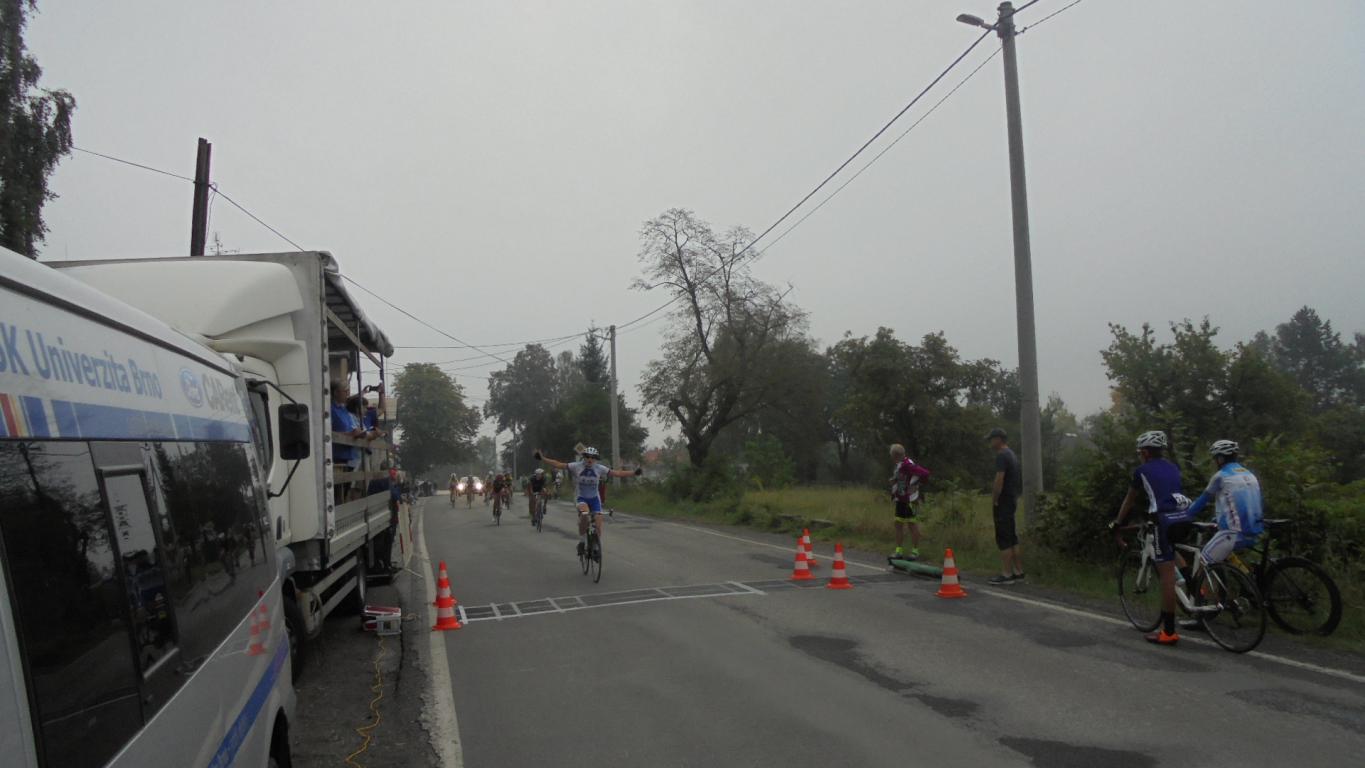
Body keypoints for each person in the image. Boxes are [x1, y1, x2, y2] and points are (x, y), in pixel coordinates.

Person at [1109, 430, 1193, 646]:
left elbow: (1129, 499)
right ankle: (1194, 589)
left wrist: (1118, 523)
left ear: (1145, 453)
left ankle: (1169, 632)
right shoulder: (1173, 467)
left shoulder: (1141, 471)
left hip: (1163, 520)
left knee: (1166, 576)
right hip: (1183, 516)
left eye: (1140, 452)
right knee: (1172, 551)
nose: (1139, 456)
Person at [534, 446, 641, 559]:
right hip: (581, 498)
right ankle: (582, 541)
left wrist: (634, 473)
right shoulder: (576, 466)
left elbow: (617, 473)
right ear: (584, 457)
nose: (590, 459)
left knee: (598, 522)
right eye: (587, 457)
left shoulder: (599, 468)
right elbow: (558, 464)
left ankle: (595, 545)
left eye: (593, 457)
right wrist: (543, 458)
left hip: (595, 499)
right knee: (584, 516)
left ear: (596, 459)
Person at [1187, 440, 1264, 565]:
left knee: (1202, 563)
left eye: (1215, 458)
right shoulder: (1250, 475)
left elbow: (1202, 501)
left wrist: (1186, 514)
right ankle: (1243, 575)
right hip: (1254, 532)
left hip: (1232, 534)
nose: (1214, 462)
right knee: (1225, 560)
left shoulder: (1221, 476)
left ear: (1221, 458)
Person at [987, 428, 1025, 585]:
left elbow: (999, 480)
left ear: (998, 439)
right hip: (1011, 499)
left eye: (991, 439)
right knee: (1012, 537)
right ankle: (1018, 571)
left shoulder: (1002, 455)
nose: (990, 442)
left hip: (1003, 501)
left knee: (1003, 537)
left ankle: (1007, 574)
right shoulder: (1011, 454)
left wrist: (995, 499)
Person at [889, 444, 929, 560]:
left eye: (892, 456)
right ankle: (898, 551)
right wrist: (894, 481)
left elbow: (925, 473)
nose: (892, 458)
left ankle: (915, 552)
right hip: (900, 499)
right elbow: (903, 478)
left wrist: (916, 485)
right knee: (898, 524)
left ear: (896, 455)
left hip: (911, 500)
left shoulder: (908, 464)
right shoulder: (900, 464)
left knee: (912, 524)